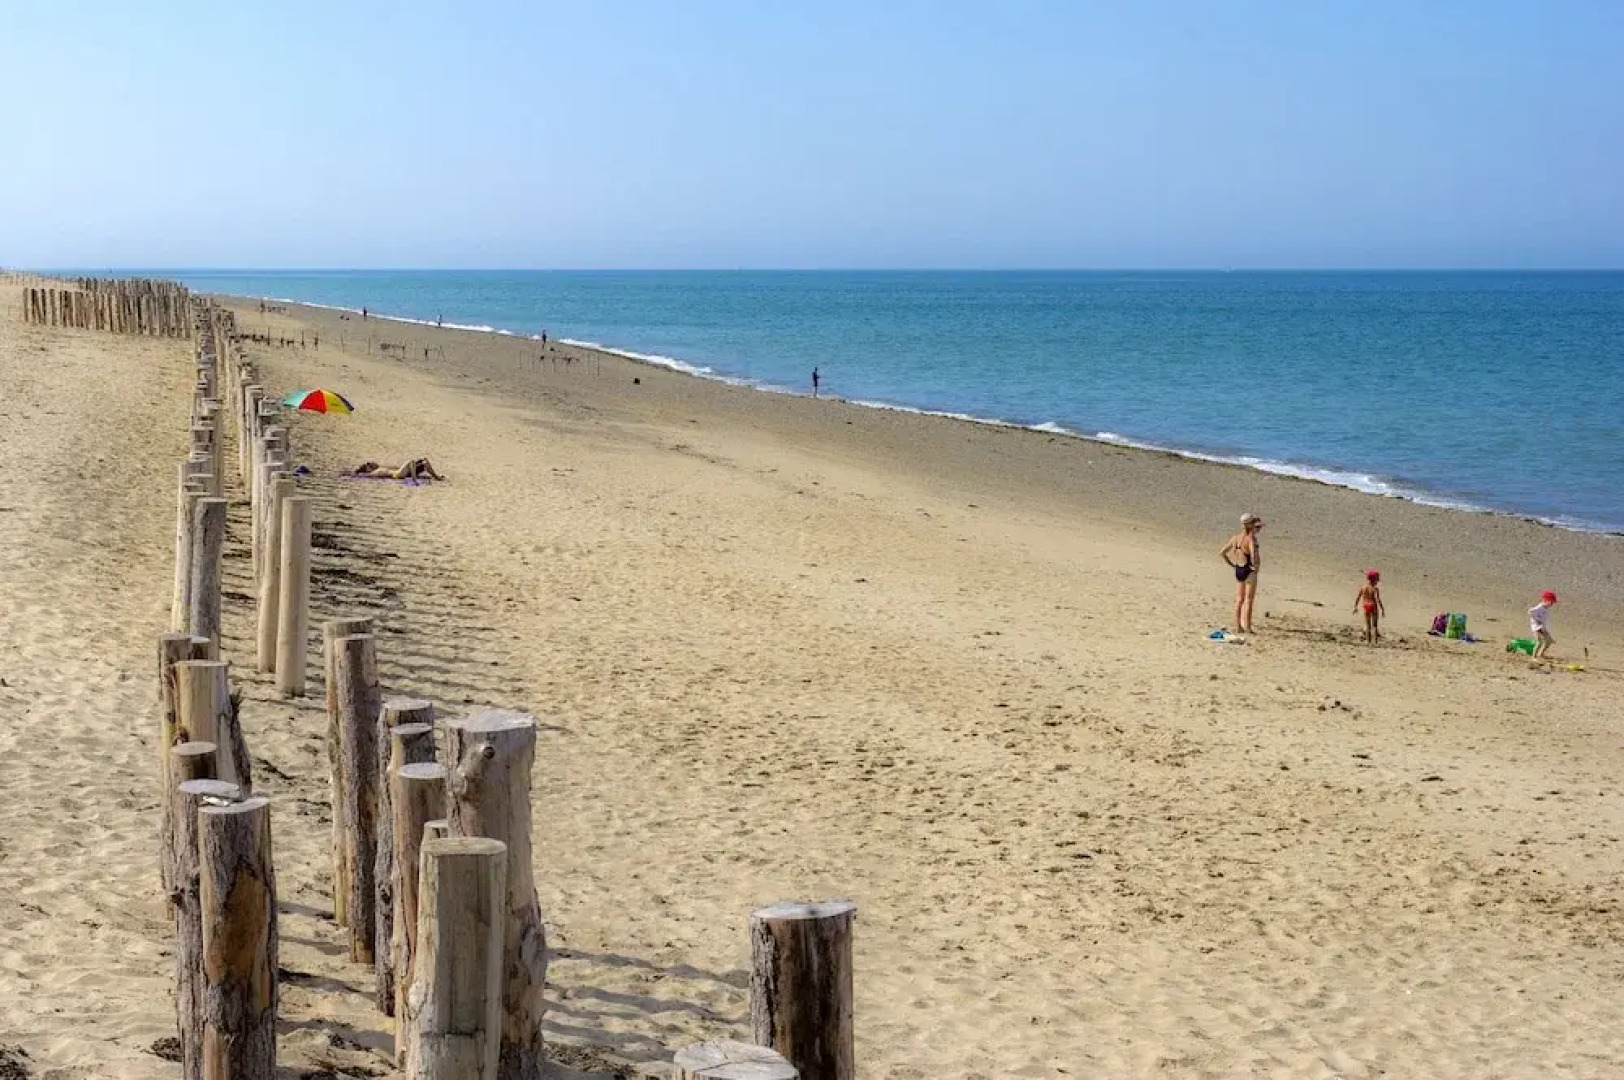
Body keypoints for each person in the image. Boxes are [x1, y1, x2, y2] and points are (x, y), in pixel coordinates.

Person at [1219, 513, 1264, 634]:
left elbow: (1222, 552)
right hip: (1249, 571)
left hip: (1239, 569)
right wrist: (1255, 566)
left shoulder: (1235, 538)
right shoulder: (1250, 539)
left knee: (1239, 599)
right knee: (1249, 599)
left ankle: (1238, 626)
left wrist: (1231, 564)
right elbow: (1253, 555)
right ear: (1250, 524)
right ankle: (1248, 627)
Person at [1354, 570, 1386, 645]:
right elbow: (1378, 599)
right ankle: (1375, 642)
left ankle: (1368, 642)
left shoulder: (1363, 587)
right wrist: (1382, 608)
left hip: (1366, 605)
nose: (1377, 581)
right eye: (1377, 579)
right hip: (1373, 605)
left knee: (1368, 625)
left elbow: (1358, 597)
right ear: (1374, 579)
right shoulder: (1375, 588)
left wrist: (1355, 606)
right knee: (1374, 625)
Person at [351, 458, 445, 481]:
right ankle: (414, 478)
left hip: (401, 472)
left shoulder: (380, 468)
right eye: (372, 463)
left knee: (424, 461)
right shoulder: (376, 471)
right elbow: (368, 476)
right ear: (369, 468)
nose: (374, 463)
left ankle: (436, 477)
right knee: (411, 461)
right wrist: (357, 474)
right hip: (398, 474)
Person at [1529, 590, 1558, 659]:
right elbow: (1530, 611)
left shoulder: (1546, 608)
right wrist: (1537, 620)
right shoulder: (1539, 607)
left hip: (1542, 627)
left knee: (1549, 641)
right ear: (1545, 600)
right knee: (1539, 642)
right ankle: (1533, 657)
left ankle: (1541, 654)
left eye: (1553, 603)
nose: (1552, 604)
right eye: (1551, 602)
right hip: (1536, 628)